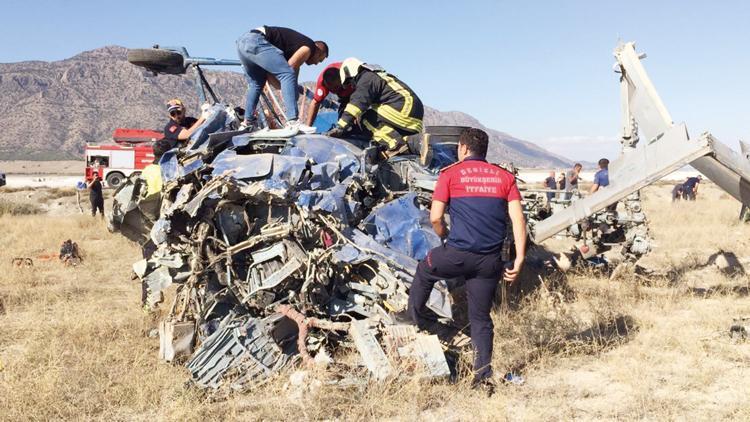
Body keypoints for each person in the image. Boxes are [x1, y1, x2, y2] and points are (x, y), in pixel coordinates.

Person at [407, 128, 527, 391]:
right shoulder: (505, 177)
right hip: (490, 261)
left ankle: (413, 317)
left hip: (457, 255)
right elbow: (518, 220)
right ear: (484, 151)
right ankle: (482, 376)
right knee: (481, 318)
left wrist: (444, 235)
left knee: (425, 269)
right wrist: (518, 259)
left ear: (462, 149)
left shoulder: (449, 174)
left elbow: (436, 217)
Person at [324, 58, 424, 154]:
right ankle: (414, 142)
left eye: (349, 82)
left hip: (404, 108)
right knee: (379, 124)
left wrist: (340, 127)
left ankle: (396, 145)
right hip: (412, 113)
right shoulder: (375, 76)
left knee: (367, 118)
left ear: (351, 74)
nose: (351, 86)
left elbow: (355, 105)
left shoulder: (365, 79)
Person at [236, 26, 328, 131]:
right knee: (287, 73)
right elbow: (289, 71)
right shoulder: (309, 47)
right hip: (256, 40)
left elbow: (275, 76)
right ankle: (293, 121)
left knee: (256, 84)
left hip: (242, 43)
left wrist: (289, 89)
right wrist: (290, 90)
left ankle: (247, 122)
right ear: (318, 51)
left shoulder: (292, 51)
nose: (316, 64)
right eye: (319, 60)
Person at [305, 62, 355, 127]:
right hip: (344, 98)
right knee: (343, 122)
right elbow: (315, 103)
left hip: (356, 91)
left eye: (337, 88)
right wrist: (308, 127)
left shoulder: (350, 74)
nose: (335, 91)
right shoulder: (322, 83)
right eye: (332, 89)